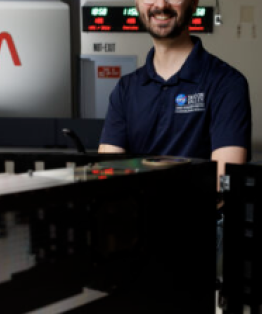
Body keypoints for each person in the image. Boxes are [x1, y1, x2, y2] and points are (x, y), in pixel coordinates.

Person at [98, 0, 252, 185]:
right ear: (137, 4)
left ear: (194, 4)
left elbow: (223, 182)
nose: (161, 4)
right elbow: (107, 174)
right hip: (136, 212)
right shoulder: (125, 89)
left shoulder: (227, 84)